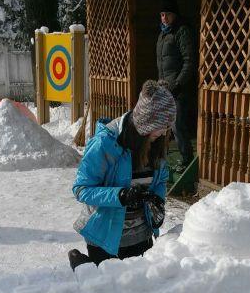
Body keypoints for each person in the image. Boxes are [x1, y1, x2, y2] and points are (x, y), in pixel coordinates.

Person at [68, 80, 176, 270]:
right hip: (106, 237)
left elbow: (161, 180)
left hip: (142, 235)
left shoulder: (157, 143)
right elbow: (81, 189)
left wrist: (157, 201)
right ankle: (83, 267)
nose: (165, 131)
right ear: (145, 122)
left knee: (139, 290)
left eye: (168, 126)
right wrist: (120, 195)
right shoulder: (105, 144)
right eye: (161, 126)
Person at [156, 0, 195, 171]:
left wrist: (178, 83)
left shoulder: (181, 32)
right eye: (162, 14)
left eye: (168, 15)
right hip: (164, 88)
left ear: (174, 15)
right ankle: (163, 159)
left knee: (178, 125)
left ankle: (187, 159)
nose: (164, 18)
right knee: (163, 126)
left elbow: (189, 61)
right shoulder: (163, 34)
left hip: (179, 89)